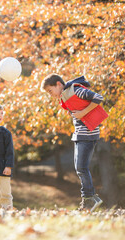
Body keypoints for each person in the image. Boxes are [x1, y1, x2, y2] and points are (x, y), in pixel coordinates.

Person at [41, 74, 106, 212]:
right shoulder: (65, 96)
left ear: (58, 84)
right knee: (79, 168)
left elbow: (98, 98)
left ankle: (89, 199)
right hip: (79, 135)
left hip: (88, 134)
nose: (50, 94)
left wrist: (83, 112)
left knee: (81, 167)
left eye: (50, 90)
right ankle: (92, 198)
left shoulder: (75, 90)